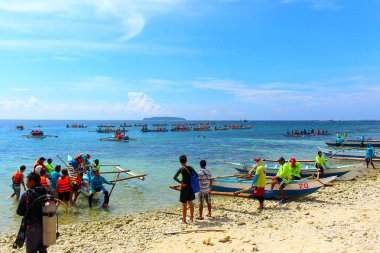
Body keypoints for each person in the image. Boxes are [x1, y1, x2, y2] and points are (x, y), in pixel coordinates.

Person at [16, 172, 48, 253]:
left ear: (32, 181)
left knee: (31, 250)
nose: (26, 183)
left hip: (33, 227)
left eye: (27, 181)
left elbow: (19, 212)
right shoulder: (47, 192)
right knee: (43, 249)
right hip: (47, 225)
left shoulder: (26, 194)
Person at [173, 155, 198, 224]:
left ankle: (184, 220)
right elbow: (196, 175)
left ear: (180, 161)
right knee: (191, 203)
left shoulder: (181, 169)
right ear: (186, 161)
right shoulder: (191, 168)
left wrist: (181, 182)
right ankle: (192, 218)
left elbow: (175, 177)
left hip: (184, 188)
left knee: (184, 204)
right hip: (190, 187)